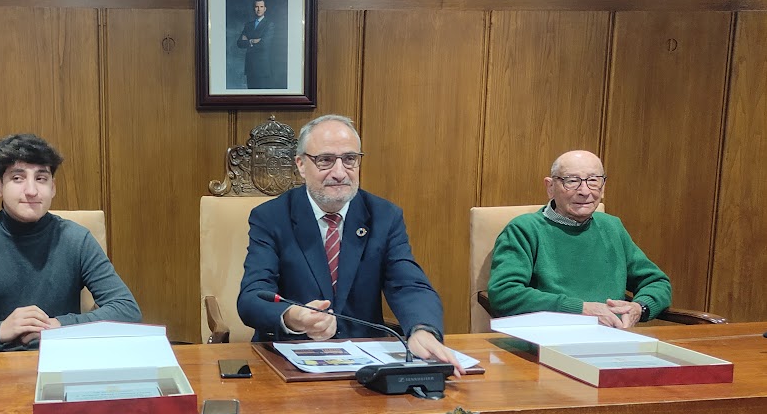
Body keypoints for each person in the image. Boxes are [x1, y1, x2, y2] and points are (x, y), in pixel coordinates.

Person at [236, 114, 461, 371]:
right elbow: (252, 297)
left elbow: (409, 284)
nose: (340, 172)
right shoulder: (271, 217)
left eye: (350, 159)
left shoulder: (384, 216)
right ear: (300, 164)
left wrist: (423, 329)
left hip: (365, 360)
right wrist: (293, 317)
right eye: (326, 160)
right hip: (289, 358)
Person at [0, 133, 141, 351]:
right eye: (18, 178)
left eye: (41, 178)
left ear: (53, 188)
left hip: (60, 362)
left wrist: (58, 326)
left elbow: (127, 309)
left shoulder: (76, 239)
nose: (31, 190)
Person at [488, 149, 672, 328]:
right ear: (550, 187)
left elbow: (657, 282)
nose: (584, 191)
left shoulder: (612, 227)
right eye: (572, 181)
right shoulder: (524, 229)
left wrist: (639, 308)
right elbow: (505, 294)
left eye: (593, 181)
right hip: (546, 342)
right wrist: (580, 310)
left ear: (603, 187)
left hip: (612, 340)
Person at [236, 0, 276, 89]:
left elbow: (264, 45)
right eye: (257, 7)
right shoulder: (248, 25)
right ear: (254, 8)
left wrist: (248, 40)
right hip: (250, 68)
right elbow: (239, 43)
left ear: (265, 9)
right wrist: (253, 40)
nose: (259, 9)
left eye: (261, 7)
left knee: (262, 99)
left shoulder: (269, 25)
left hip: (262, 69)